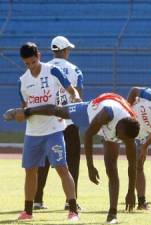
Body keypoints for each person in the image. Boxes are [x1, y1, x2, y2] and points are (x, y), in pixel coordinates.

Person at [5, 93, 140, 224]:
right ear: (120, 126)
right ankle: (28, 111)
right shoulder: (107, 113)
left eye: (122, 139)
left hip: (113, 124)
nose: (119, 139)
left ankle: (112, 214)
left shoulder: (128, 138)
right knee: (58, 111)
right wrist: (90, 167)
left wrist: (130, 192)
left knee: (111, 169)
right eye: (120, 136)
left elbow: (132, 166)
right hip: (91, 111)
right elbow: (88, 136)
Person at [13, 42, 81, 221]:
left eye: (33, 62)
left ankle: (73, 210)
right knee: (30, 171)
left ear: (39, 56)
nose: (31, 66)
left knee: (62, 168)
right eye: (27, 64)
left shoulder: (52, 71)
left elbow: (70, 89)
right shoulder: (22, 81)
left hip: (54, 129)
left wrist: (76, 97)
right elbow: (25, 109)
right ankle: (28, 211)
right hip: (32, 133)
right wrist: (20, 115)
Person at [33, 36, 84, 210]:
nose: (69, 51)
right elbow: (79, 97)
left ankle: (37, 200)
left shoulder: (44, 69)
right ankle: (71, 202)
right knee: (73, 161)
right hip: (69, 120)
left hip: (49, 121)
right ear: (64, 50)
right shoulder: (75, 70)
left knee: (44, 160)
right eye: (68, 49)